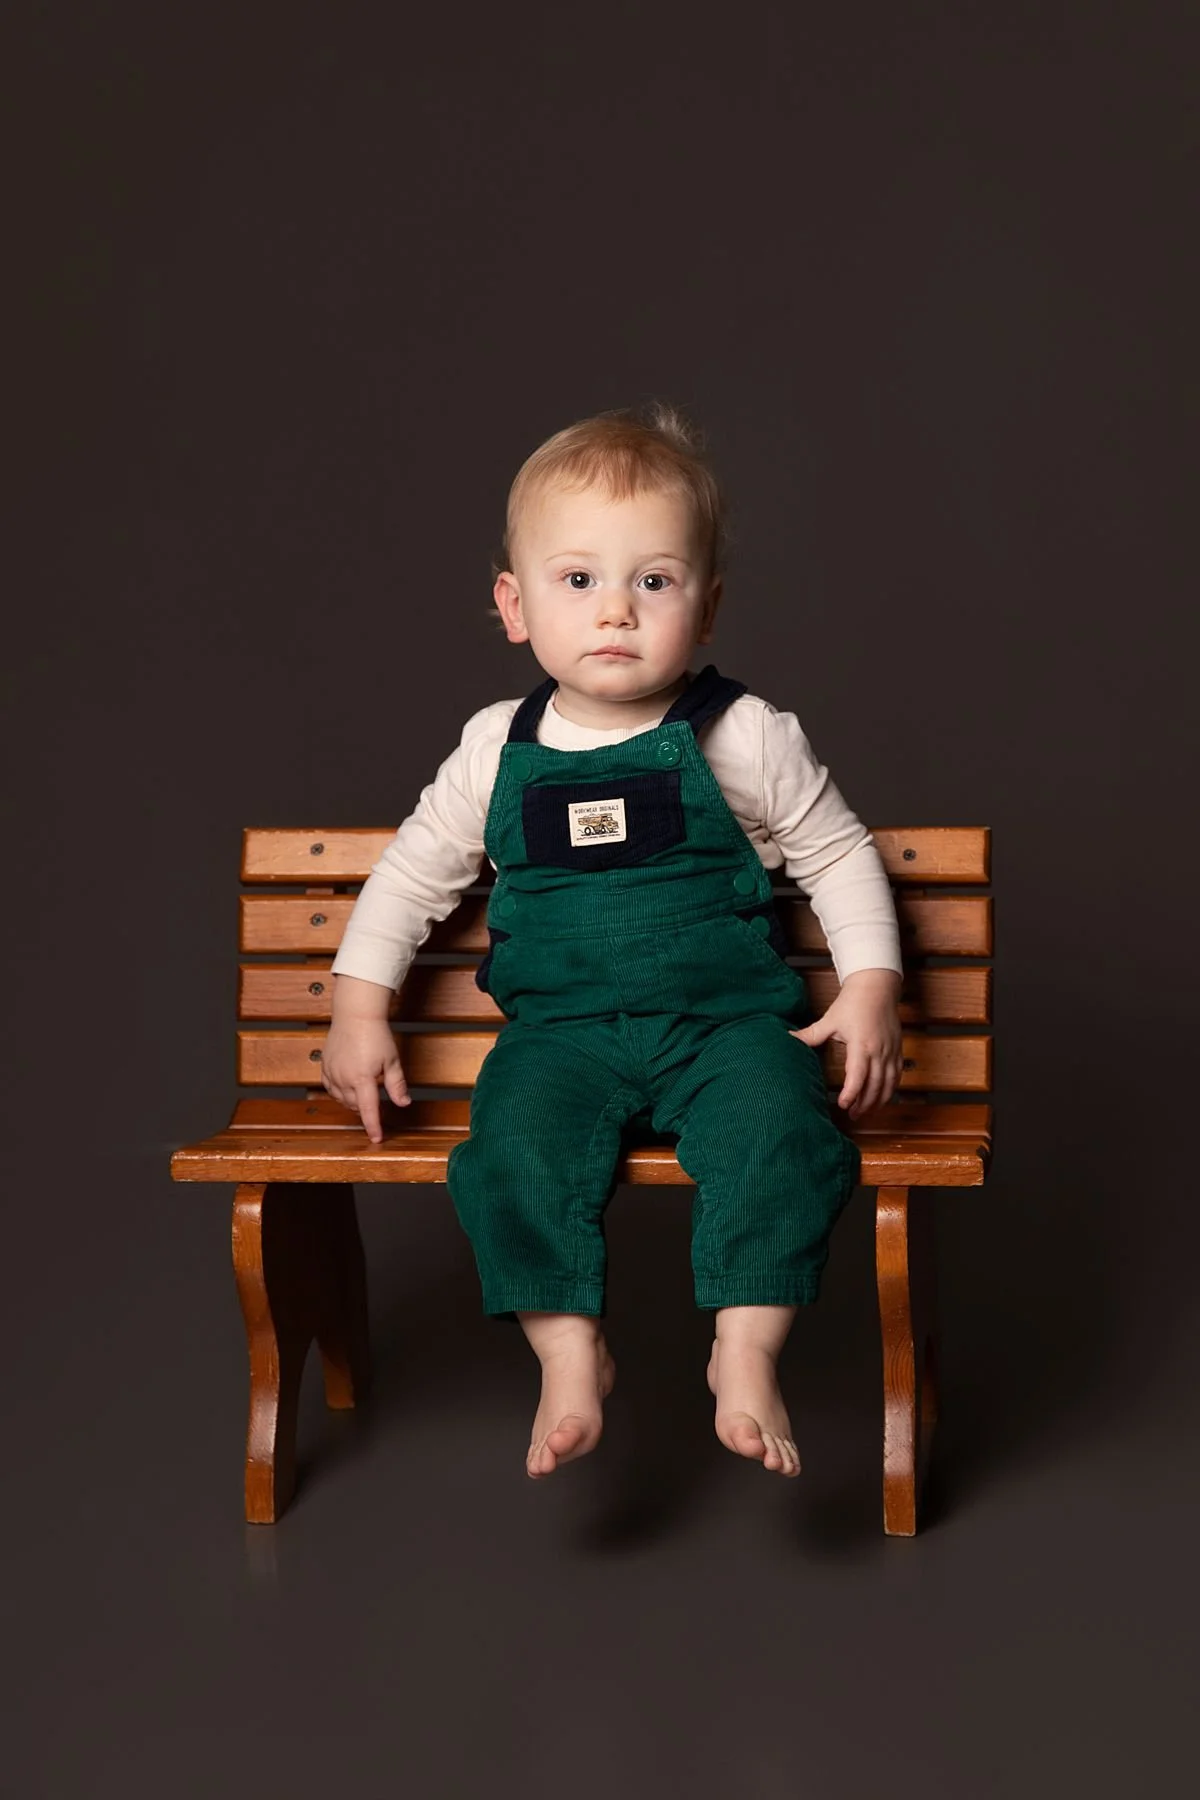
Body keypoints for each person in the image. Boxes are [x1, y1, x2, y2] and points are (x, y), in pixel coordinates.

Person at [321, 402, 904, 1484]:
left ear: (709, 604)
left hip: (724, 1029)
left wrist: (870, 985)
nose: (618, 613)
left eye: (656, 580)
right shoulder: (496, 748)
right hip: (563, 1039)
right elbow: (411, 878)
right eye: (579, 579)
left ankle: (746, 1347)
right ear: (514, 603)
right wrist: (359, 1010)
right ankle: (567, 1351)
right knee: (511, 1155)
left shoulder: (744, 734)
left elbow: (835, 852)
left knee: (784, 1130)